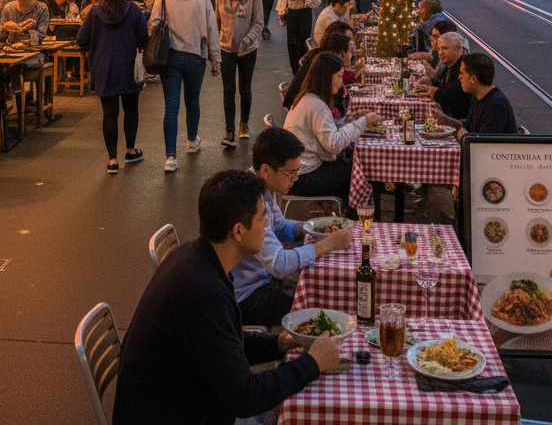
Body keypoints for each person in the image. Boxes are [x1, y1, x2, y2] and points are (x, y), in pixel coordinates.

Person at [112, 169, 338, 425]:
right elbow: (246, 397)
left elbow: (224, 348)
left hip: (184, 399)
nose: (267, 226)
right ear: (238, 231)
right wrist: (312, 363)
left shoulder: (195, 256)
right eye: (263, 217)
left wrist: (278, 343)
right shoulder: (204, 294)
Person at [233, 128, 353, 326]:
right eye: (290, 174)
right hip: (246, 295)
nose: (295, 179)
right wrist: (327, 245)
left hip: (264, 279)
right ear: (265, 170)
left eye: (297, 172)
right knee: (316, 313)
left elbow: (278, 226)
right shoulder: (250, 199)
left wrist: (315, 229)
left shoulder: (263, 186)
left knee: (322, 295)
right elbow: (279, 264)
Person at [147, 0, 221, 172]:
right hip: (196, 58)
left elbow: (152, 25)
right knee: (192, 102)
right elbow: (211, 30)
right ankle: (191, 140)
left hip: (170, 58)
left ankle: (170, 157)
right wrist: (215, 59)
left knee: (171, 107)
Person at [284, 52, 381, 208]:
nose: (341, 82)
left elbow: (327, 131)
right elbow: (334, 144)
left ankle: (353, 218)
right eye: (338, 77)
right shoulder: (315, 105)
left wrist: (351, 120)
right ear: (326, 77)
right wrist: (363, 122)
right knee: (365, 176)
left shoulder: (309, 98)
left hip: (301, 170)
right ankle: (362, 223)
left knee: (357, 169)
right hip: (303, 176)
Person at [77, 0, 149, 174]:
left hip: (103, 67)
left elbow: (81, 39)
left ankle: (112, 160)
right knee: (131, 109)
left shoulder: (94, 12)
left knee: (109, 114)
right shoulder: (133, 10)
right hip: (128, 67)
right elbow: (144, 38)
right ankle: (131, 150)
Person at [215, 0, 264, 147]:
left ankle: (244, 123)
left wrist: (247, 39)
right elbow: (216, 23)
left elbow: (258, 22)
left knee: (245, 88)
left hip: (247, 50)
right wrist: (216, 45)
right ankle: (229, 131)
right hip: (226, 49)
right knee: (228, 90)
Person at [433, 52, 517, 140]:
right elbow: (470, 127)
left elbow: (484, 144)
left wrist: (464, 136)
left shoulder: (496, 105)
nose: (459, 77)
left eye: (462, 73)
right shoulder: (477, 96)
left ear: (473, 78)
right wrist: (446, 120)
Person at [276, 0, 321, 73]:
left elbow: (317, 0)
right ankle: (294, 69)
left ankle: (303, 68)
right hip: (292, 13)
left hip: (305, 13)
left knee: (303, 41)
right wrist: (282, 12)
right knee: (291, 42)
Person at [428, 31, 471, 120]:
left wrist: (435, 92)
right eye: (439, 48)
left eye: (445, 48)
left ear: (459, 49)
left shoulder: (462, 68)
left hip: (458, 120)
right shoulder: (449, 66)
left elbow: (448, 99)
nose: (440, 52)